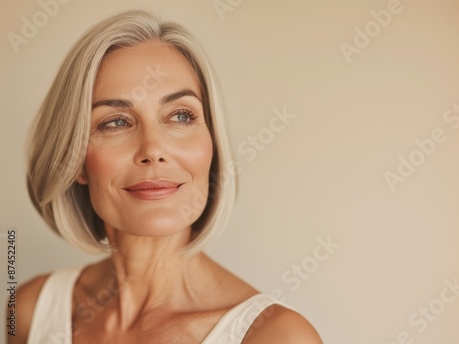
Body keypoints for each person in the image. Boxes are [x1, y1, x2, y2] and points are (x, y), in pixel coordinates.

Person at [7, 9, 323, 344]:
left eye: (181, 116)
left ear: (212, 143)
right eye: (115, 122)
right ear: (77, 162)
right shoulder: (28, 311)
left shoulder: (277, 337)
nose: (153, 149)